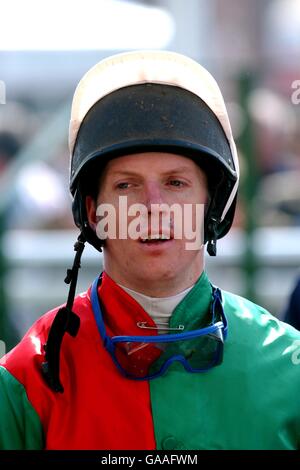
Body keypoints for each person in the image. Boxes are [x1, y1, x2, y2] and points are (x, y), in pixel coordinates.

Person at [0, 50, 299, 451]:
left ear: (211, 207)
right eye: (126, 185)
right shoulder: (27, 378)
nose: (153, 207)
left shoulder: (288, 365)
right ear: (93, 212)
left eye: (176, 184)